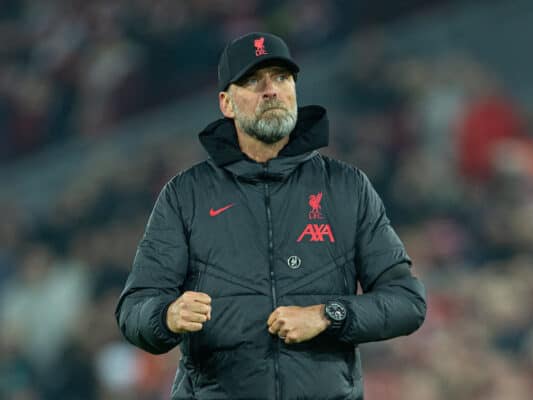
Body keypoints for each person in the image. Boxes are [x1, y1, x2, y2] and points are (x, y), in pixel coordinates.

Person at [115, 32, 426, 400]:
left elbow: (407, 302)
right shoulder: (186, 195)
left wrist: (329, 314)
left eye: (281, 77)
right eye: (252, 81)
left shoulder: (346, 187)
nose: (271, 90)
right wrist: (166, 315)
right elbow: (134, 309)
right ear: (226, 103)